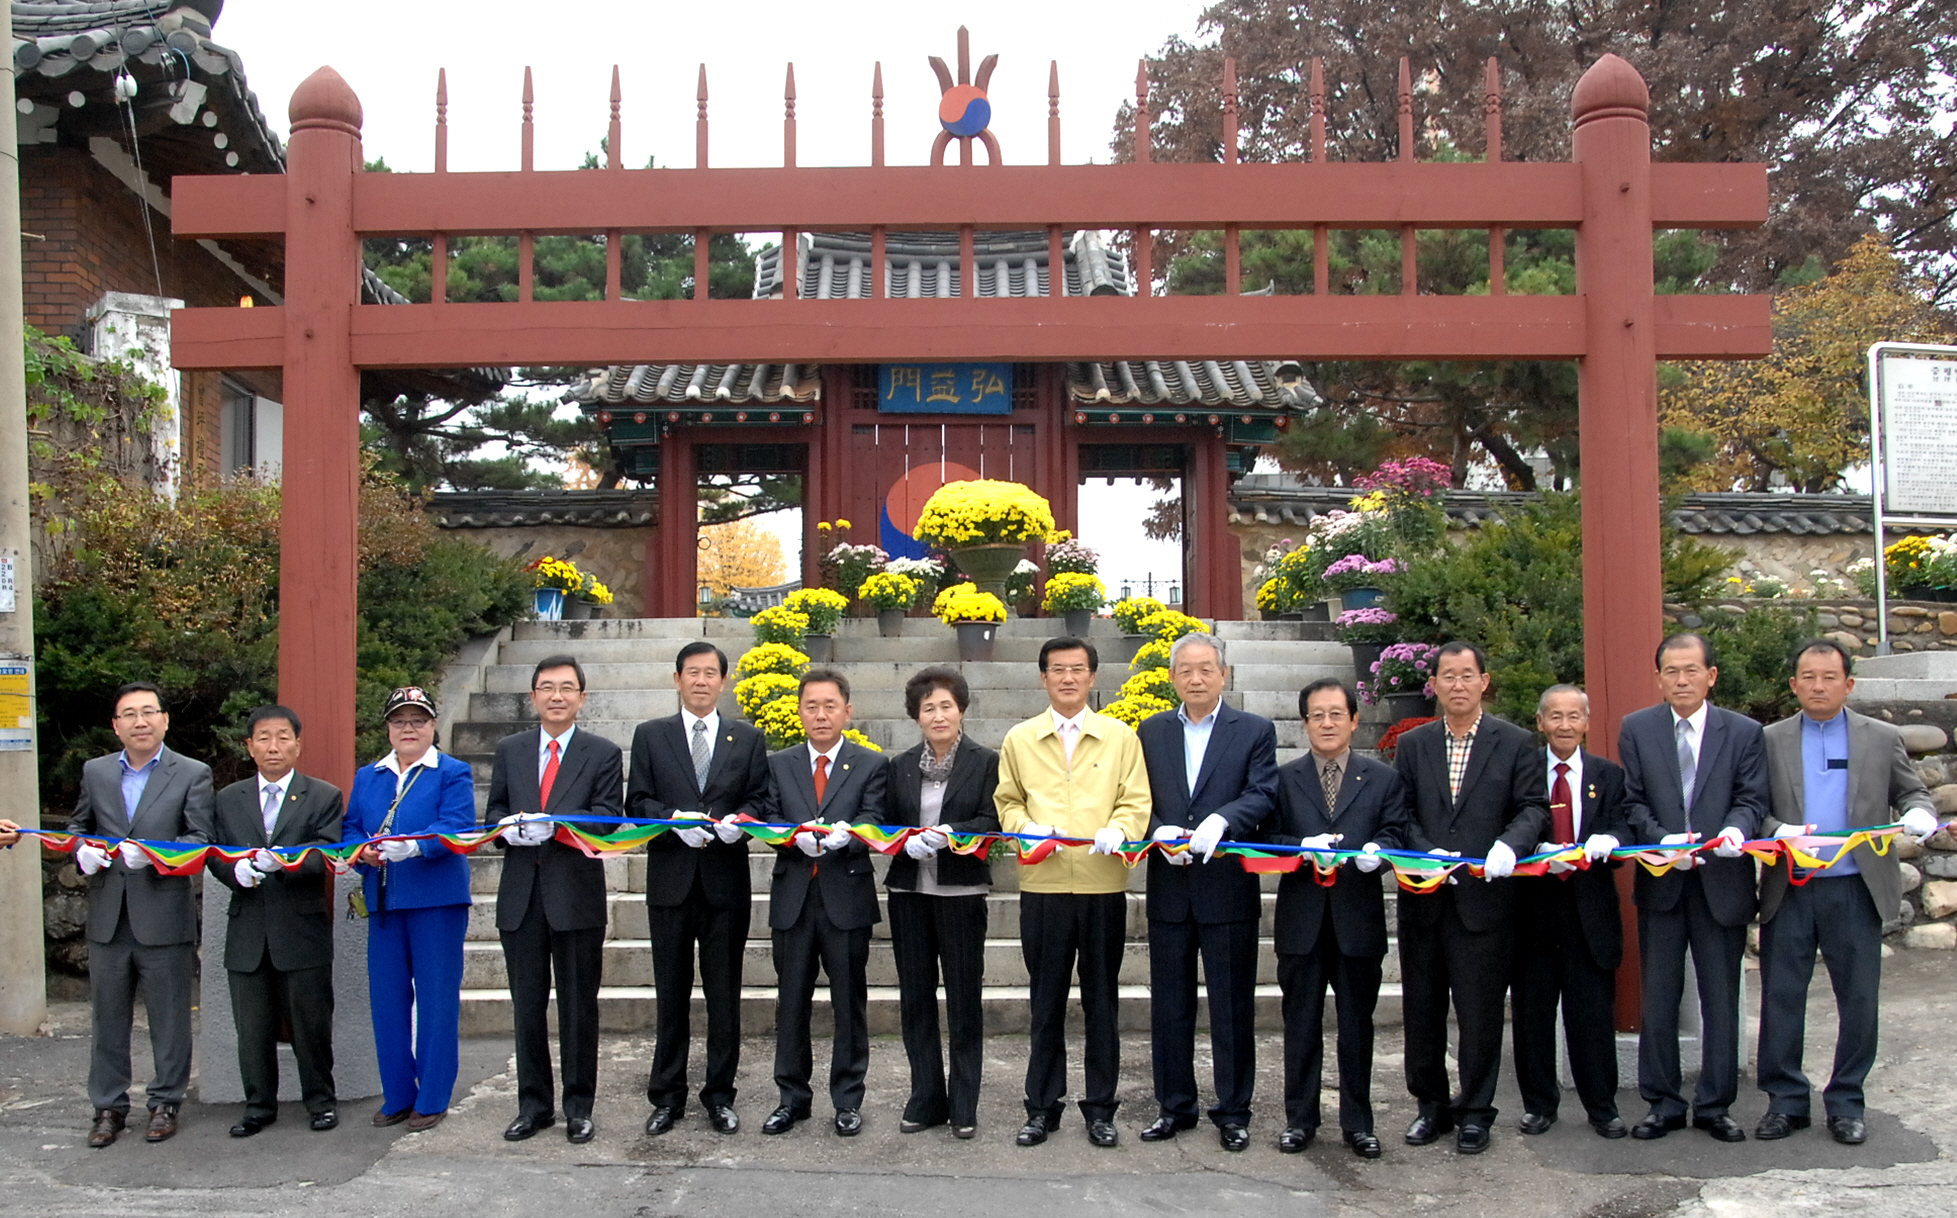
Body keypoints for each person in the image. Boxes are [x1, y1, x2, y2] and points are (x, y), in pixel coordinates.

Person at [1754, 638, 1938, 1146]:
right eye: (1807, 677)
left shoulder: (1880, 737)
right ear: (1793, 684)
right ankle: (1785, 1101)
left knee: (1857, 999)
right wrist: (1776, 828)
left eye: (1829, 677)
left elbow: (1912, 791)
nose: (1818, 685)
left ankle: (1847, 1101)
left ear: (1848, 683)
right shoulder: (1769, 739)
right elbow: (1750, 806)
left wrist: (1920, 811)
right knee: (1782, 996)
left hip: (1856, 888)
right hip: (1790, 887)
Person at [994, 636, 1151, 1150]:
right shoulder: (1020, 738)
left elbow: (1136, 800)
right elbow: (1007, 800)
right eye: (1057, 669)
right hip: (1043, 887)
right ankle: (1042, 1107)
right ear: (1043, 678)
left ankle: (1101, 1108)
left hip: (1102, 886)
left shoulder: (1119, 736)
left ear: (1092, 677)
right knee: (1046, 1003)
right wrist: (1024, 826)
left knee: (1102, 1002)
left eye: (1077, 669)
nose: (1067, 678)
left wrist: (1121, 829)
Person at [1392, 641, 1548, 1155]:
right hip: (1426, 898)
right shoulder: (1413, 745)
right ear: (1432, 684)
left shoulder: (1517, 742)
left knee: (1480, 1011)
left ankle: (1476, 1110)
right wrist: (1425, 851)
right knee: (1423, 1009)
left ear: (1484, 681)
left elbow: (1533, 808)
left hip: (1486, 901)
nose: (1457, 686)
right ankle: (1430, 1106)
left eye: (1467, 676)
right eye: (1447, 677)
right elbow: (1402, 814)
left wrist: (1510, 844)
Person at [1619, 632, 1769, 1143]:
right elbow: (1631, 803)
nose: (1681, 680)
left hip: (1721, 882)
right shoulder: (1637, 729)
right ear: (1658, 678)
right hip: (1663, 880)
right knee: (1658, 997)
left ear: (1711, 676)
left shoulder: (1745, 732)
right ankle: (1662, 1102)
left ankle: (1716, 1104)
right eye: (1670, 672)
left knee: (1720, 998)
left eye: (1691, 671)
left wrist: (1736, 829)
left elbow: (1753, 797)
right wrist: (1660, 838)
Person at [1133, 633, 1277, 1152]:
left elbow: (1263, 792)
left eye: (1205, 669)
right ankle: (1174, 1106)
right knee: (1170, 1004)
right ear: (1172, 677)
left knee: (1232, 1005)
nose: (1196, 678)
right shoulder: (1149, 731)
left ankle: (1234, 1110)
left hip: (1228, 887)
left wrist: (1224, 818)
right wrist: (1154, 829)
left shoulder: (1254, 730)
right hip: (1170, 885)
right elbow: (1133, 796)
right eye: (1185, 670)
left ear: (1224, 673)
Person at [629, 641, 770, 1137]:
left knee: (724, 994)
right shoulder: (651, 735)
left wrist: (743, 823)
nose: (702, 681)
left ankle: (720, 1095)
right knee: (671, 993)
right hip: (670, 882)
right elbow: (637, 801)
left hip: (725, 883)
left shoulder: (747, 738)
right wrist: (670, 820)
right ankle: (666, 1097)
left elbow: (760, 798)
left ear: (723, 682)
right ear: (677, 679)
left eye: (711, 673)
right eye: (693, 672)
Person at [67, 681, 214, 1148]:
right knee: (107, 1018)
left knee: (170, 1017)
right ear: (116, 726)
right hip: (109, 915)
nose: (140, 721)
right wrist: (79, 852)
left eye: (148, 712)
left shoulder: (191, 773)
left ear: (164, 720)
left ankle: (165, 1101)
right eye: (128, 714)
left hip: (163, 912)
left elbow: (200, 839)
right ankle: (108, 1106)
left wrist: (156, 856)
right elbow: (77, 825)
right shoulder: (96, 772)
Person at [1269, 678, 1411, 1159]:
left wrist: (1382, 853)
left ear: (1354, 720)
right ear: (1304, 722)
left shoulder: (1383, 778)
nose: (1326, 723)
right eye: (1316, 715)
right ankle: (1300, 1119)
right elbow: (1267, 839)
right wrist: (1298, 849)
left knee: (1357, 1026)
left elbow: (1396, 833)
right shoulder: (1284, 778)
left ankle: (1359, 1122)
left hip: (1357, 921)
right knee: (1301, 1024)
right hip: (1301, 922)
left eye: (1336, 714)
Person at [486, 655, 624, 1145]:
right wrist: (508, 830)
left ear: (582, 698)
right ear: (533, 696)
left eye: (567, 687)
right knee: (526, 1007)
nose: (557, 696)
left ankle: (579, 1106)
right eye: (547, 687)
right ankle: (533, 1106)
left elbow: (609, 818)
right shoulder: (511, 749)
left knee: (578, 1007)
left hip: (576, 896)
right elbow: (495, 813)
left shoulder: (602, 753)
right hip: (521, 896)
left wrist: (559, 824)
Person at [756, 669, 889, 1138]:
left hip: (846, 897)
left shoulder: (870, 764)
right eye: (811, 705)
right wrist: (792, 841)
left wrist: (845, 839)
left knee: (849, 1002)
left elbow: (875, 817)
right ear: (799, 711)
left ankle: (848, 1099)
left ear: (847, 712)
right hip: (793, 897)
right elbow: (768, 816)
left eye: (830, 705)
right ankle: (791, 1098)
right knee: (791, 1001)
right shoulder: (780, 763)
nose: (820, 714)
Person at [343, 686, 478, 1133]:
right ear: (387, 727)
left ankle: (433, 1096)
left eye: (418, 720)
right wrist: (361, 851)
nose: (408, 728)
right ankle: (398, 1093)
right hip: (383, 901)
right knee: (387, 1001)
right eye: (400, 720)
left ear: (433, 726)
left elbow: (455, 826)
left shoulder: (451, 772)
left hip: (436, 901)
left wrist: (414, 847)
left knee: (437, 1001)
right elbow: (351, 828)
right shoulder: (369, 776)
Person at [208, 705, 345, 1137]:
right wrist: (236, 873)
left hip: (301, 929)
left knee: (311, 1025)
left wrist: (284, 862)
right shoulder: (229, 799)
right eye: (263, 738)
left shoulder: (323, 795)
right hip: (247, 928)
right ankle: (258, 1105)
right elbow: (214, 854)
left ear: (298, 744)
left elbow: (327, 854)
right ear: (249, 747)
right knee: (252, 1029)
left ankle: (321, 1101)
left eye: (283, 737)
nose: (273, 746)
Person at [1508, 685, 1632, 1140]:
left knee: (1592, 1015)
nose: (1564, 725)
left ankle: (1602, 1106)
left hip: (1589, 911)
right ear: (1540, 723)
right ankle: (1539, 1105)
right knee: (1532, 1014)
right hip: (1533, 909)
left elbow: (1623, 823)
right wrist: (1532, 850)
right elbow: (1509, 823)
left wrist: (1612, 842)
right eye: (1554, 717)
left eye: (1573, 716)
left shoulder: (1608, 774)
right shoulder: (1523, 773)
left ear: (1586, 722)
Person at [885, 666, 1001, 1139]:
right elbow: (884, 822)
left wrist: (957, 834)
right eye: (928, 707)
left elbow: (993, 816)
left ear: (962, 710)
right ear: (916, 716)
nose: (938, 715)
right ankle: (926, 1096)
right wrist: (901, 842)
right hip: (910, 894)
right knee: (915, 999)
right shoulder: (900, 765)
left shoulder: (985, 761)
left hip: (962, 893)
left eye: (946, 705)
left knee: (963, 999)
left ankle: (964, 1101)